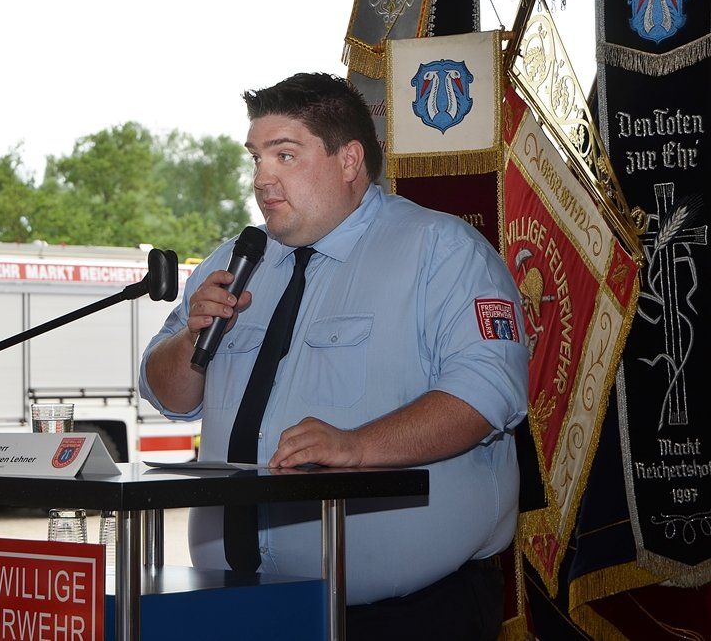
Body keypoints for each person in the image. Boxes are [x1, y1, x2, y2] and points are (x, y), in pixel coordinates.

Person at [139, 72, 529, 639]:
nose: (262, 179)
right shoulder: (234, 261)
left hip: (404, 618)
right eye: (256, 158)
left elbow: (488, 393)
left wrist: (356, 446)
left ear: (349, 160)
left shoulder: (442, 251)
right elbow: (167, 395)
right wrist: (191, 337)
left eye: (285, 155)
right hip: (240, 608)